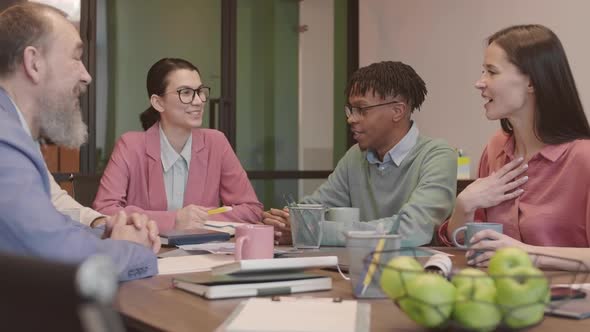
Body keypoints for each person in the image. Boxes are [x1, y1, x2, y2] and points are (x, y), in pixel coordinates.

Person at [0, 2, 160, 280]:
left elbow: (45, 223)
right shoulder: (5, 140)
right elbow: (55, 255)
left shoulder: (14, 132)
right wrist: (131, 249)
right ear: (34, 62)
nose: (87, 75)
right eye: (76, 57)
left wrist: (103, 232)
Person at [439, 24, 590, 271]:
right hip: (496, 299)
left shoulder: (584, 159)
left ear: (531, 82)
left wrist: (525, 254)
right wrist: (463, 207)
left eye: (492, 72)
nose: (480, 83)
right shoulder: (495, 148)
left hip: (569, 303)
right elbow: (467, 245)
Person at [262, 61, 458, 247]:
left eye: (362, 110)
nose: (351, 119)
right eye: (350, 110)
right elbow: (316, 206)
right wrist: (282, 221)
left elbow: (411, 229)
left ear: (397, 111)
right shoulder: (355, 156)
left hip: (414, 272)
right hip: (355, 265)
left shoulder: (438, 156)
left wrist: (311, 231)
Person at [93, 58, 263, 232]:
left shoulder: (216, 143)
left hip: (203, 255)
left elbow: (251, 209)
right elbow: (104, 211)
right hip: (148, 252)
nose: (198, 101)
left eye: (200, 91)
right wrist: (174, 220)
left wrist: (199, 219)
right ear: (158, 102)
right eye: (186, 93)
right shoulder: (130, 145)